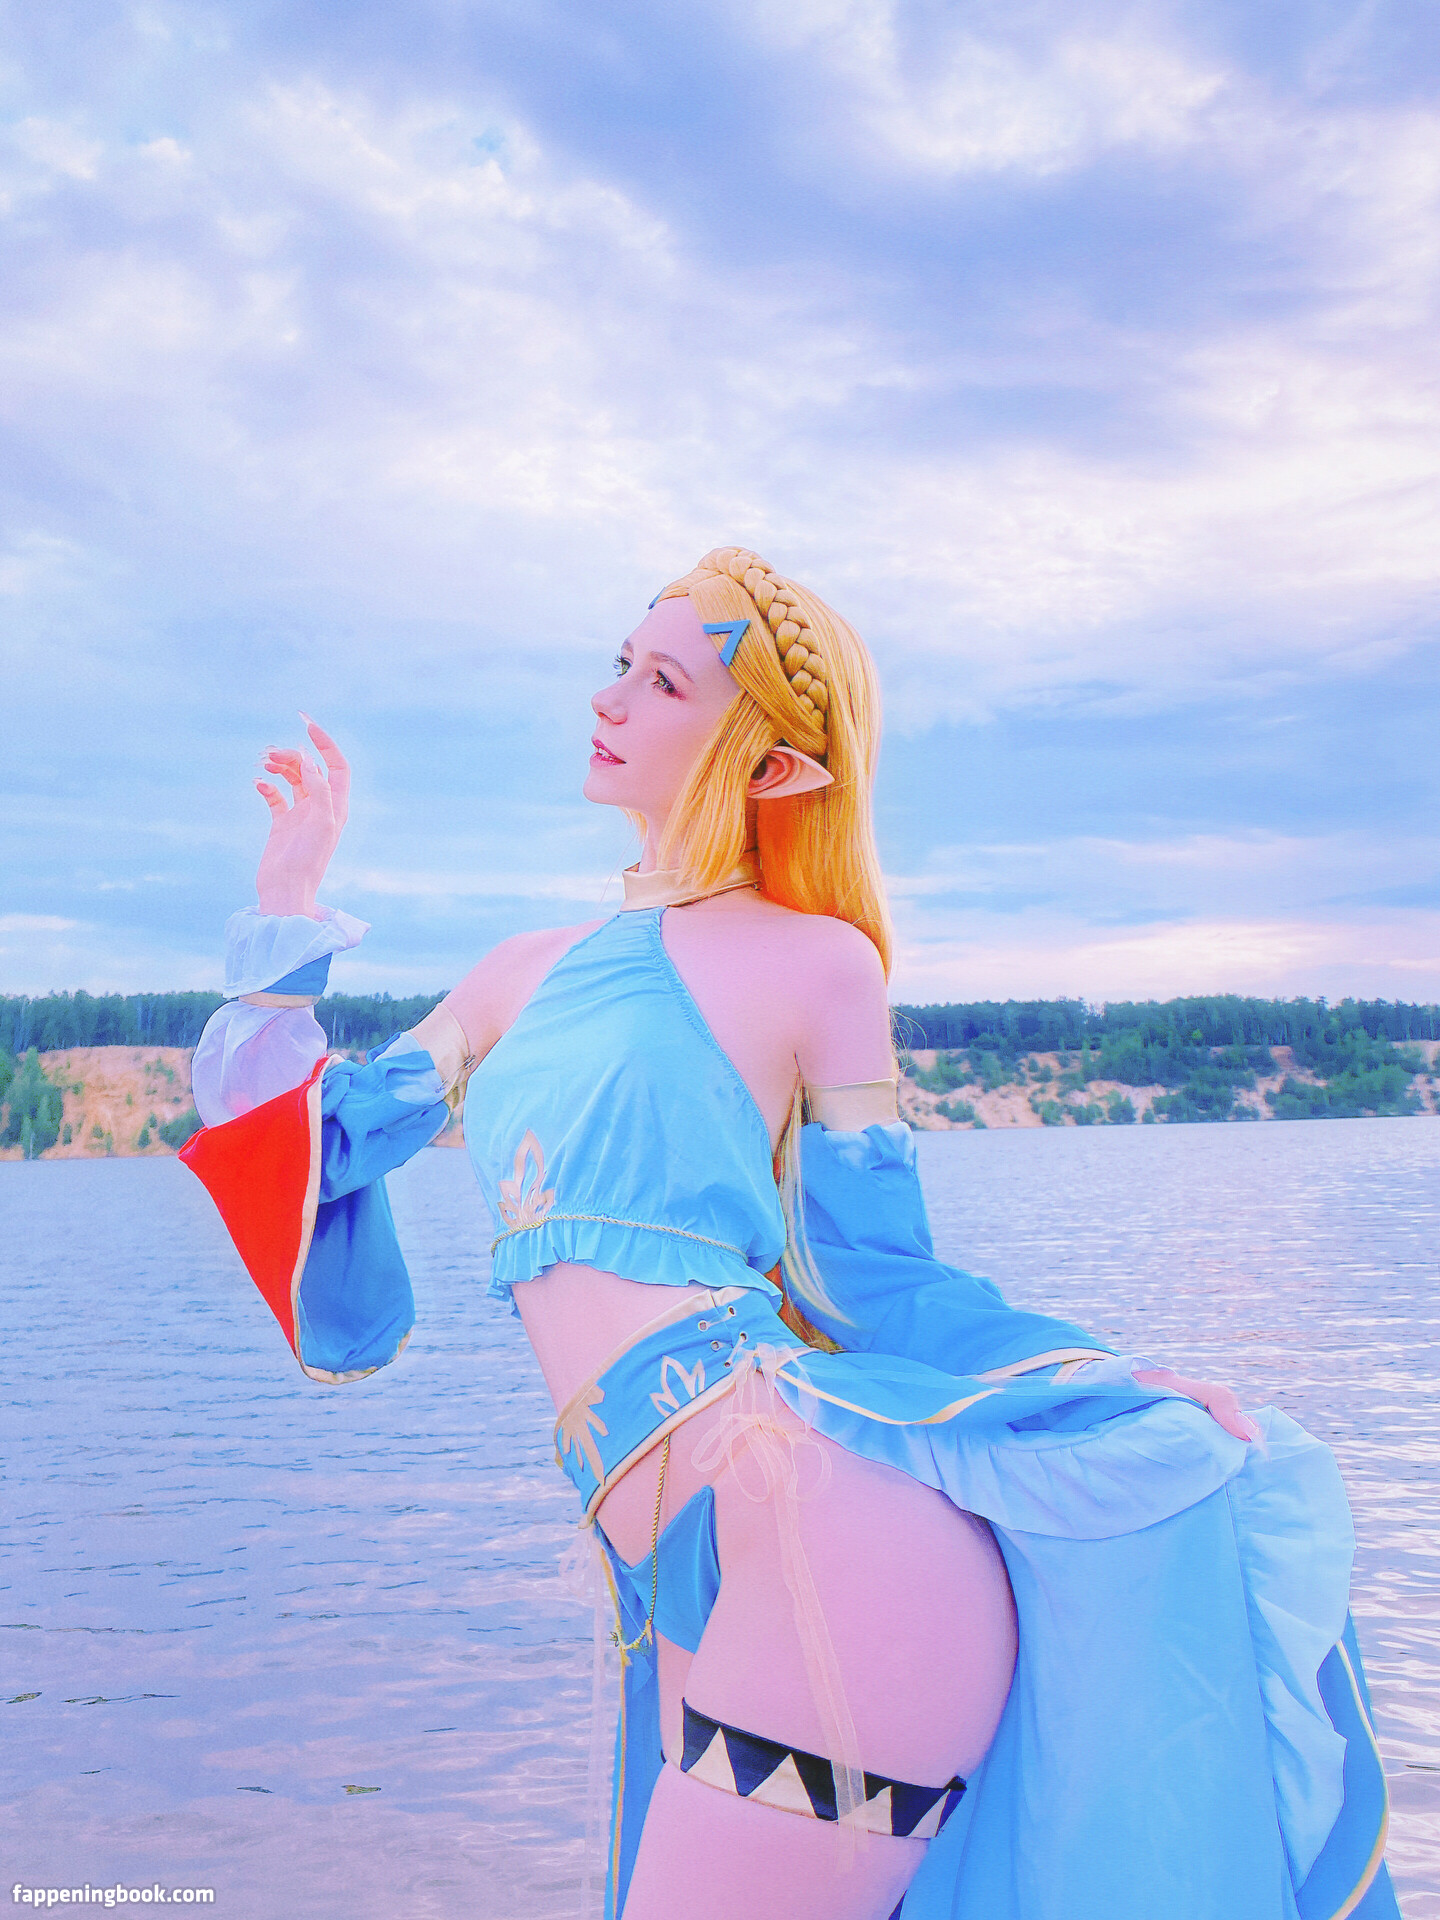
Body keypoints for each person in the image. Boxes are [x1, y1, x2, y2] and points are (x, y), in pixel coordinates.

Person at [182, 548, 1397, 1920]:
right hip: (671, 1554)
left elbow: (879, 1272)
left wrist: (1092, 1382)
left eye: (664, 680)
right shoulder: (521, 974)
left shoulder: (821, 965)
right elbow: (310, 1143)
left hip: (823, 1527)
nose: (610, 698)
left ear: (770, 765)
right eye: (620, 663)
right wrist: (288, 902)